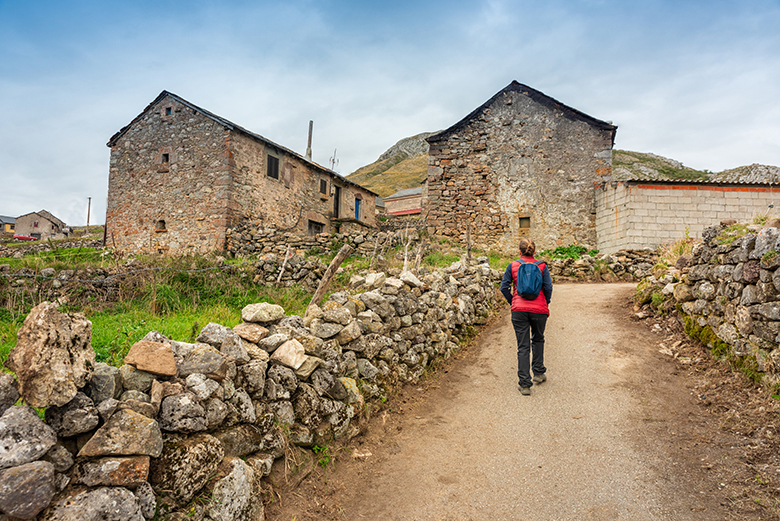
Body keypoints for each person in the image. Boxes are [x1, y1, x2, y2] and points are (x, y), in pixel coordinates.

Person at [500, 238, 553, 396]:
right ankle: (538, 373)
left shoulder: (513, 265)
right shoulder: (542, 266)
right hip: (539, 310)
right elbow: (548, 287)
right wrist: (546, 302)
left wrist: (513, 302)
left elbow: (504, 287)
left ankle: (524, 384)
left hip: (519, 310)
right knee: (538, 339)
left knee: (523, 346)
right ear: (534, 252)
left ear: (519, 251)